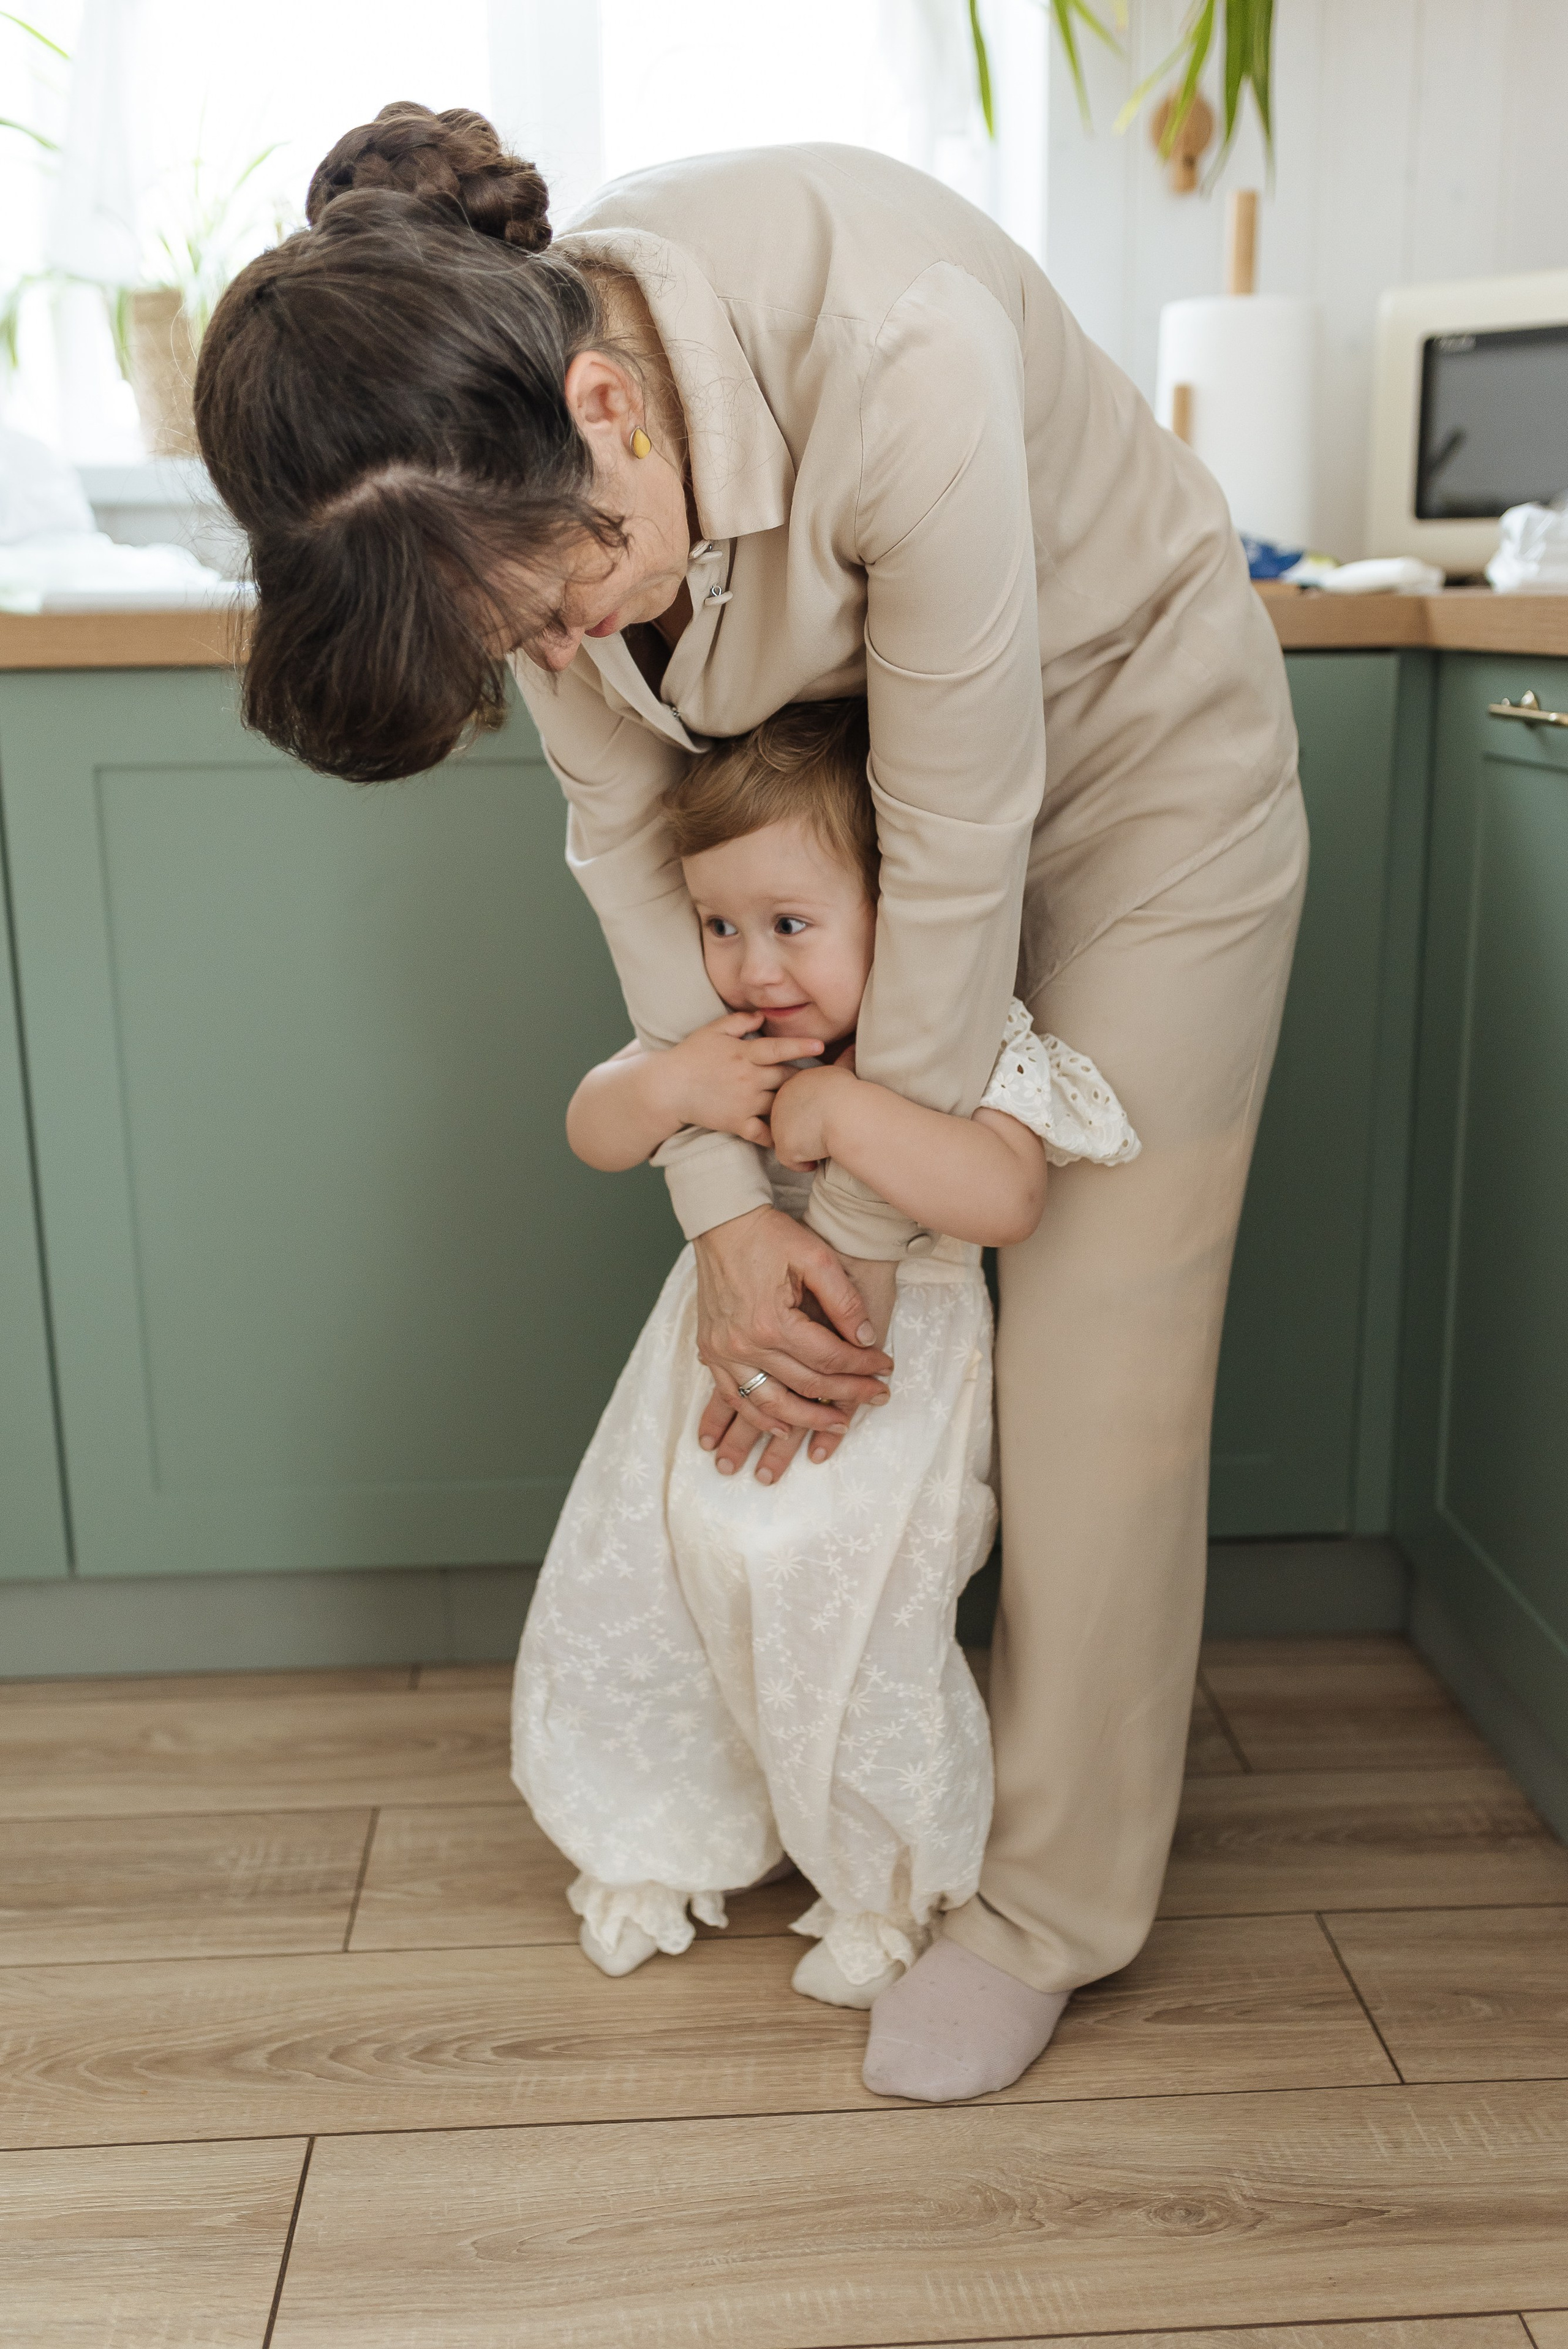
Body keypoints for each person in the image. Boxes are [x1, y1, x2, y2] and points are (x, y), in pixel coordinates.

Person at [194, 104, 1306, 2102]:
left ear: (609, 403)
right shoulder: (503, 482)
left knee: (1091, 1356)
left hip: (1132, 766)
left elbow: (965, 856)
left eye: (565, 602)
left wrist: (858, 1242)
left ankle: (1052, 1903)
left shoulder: (901, 355)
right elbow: (630, 852)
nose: (562, 655)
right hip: (834, 813)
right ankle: (881, 1783)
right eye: (520, 642)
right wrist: (727, 1221)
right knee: (855, 1270)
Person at [514, 700, 1139, 2011]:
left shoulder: (959, 1046)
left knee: (843, 1610)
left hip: (891, 1373)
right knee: (660, 1575)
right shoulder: (726, 1043)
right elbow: (591, 1124)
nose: (752, 967)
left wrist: (843, 1110)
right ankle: (659, 1834)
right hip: (706, 1371)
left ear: (893, 916)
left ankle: (878, 1877)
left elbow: (1002, 1196)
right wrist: (668, 1090)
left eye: (790, 924)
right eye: (719, 926)